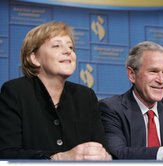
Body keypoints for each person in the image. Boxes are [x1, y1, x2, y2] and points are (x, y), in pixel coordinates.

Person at [0, 21, 111, 160]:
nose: (68, 51)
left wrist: (106, 157)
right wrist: (58, 158)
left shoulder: (86, 96)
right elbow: (7, 153)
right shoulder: (15, 91)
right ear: (34, 58)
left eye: (70, 47)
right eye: (56, 45)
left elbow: (102, 149)